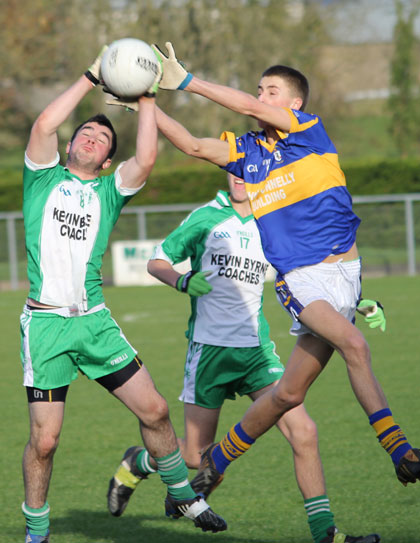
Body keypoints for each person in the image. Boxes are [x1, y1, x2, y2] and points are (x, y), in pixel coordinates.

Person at [105, 42, 420, 542]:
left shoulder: (309, 132)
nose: (259, 96)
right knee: (355, 345)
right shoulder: (250, 153)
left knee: (289, 394)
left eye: (271, 91)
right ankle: (400, 451)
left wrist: (189, 81)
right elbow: (197, 146)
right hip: (301, 278)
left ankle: (218, 461)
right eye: (260, 88)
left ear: (295, 106)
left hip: (346, 275)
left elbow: (246, 106)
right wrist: (149, 102)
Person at [19, 46, 227, 543]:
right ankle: (36, 531)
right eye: (84, 133)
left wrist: (149, 95)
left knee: (154, 410)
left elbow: (149, 157)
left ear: (108, 159)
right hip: (46, 326)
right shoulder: (41, 180)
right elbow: (46, 123)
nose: (90, 137)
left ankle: (183, 494)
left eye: (101, 137)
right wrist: (91, 75)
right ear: (69, 148)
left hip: (94, 321)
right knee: (45, 442)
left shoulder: (108, 193)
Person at [107, 171, 383, 543]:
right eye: (234, 171)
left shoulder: (273, 223)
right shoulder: (206, 217)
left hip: (257, 353)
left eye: (248, 173)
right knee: (195, 459)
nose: (240, 179)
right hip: (209, 352)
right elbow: (158, 261)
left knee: (304, 432)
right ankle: (138, 462)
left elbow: (313, 274)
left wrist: (354, 302)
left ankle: (326, 534)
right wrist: (183, 281)